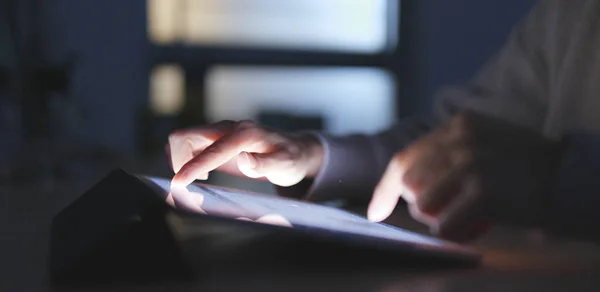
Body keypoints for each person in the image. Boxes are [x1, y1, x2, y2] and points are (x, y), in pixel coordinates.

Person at [166, 0, 600, 242]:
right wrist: (313, 156)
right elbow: (457, 143)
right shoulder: (569, 16)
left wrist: (566, 178)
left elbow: (496, 157)